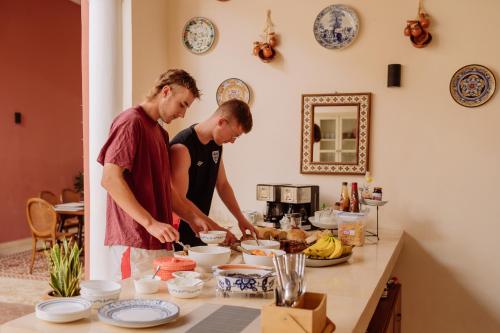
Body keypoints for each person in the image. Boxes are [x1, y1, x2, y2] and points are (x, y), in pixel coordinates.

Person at [98, 69, 218, 280]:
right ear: (166, 91)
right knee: (133, 309)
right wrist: (150, 223)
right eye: (182, 104)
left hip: (158, 240)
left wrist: (191, 218)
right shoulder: (130, 121)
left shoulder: (160, 133)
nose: (183, 114)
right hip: (134, 241)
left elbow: (165, 189)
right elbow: (110, 179)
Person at [169, 99, 256, 248]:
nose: (233, 141)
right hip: (177, 234)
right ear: (221, 122)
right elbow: (179, 199)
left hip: (201, 230)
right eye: (234, 135)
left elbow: (222, 185)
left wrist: (241, 219)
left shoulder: (216, 144)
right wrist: (217, 229)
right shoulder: (182, 147)